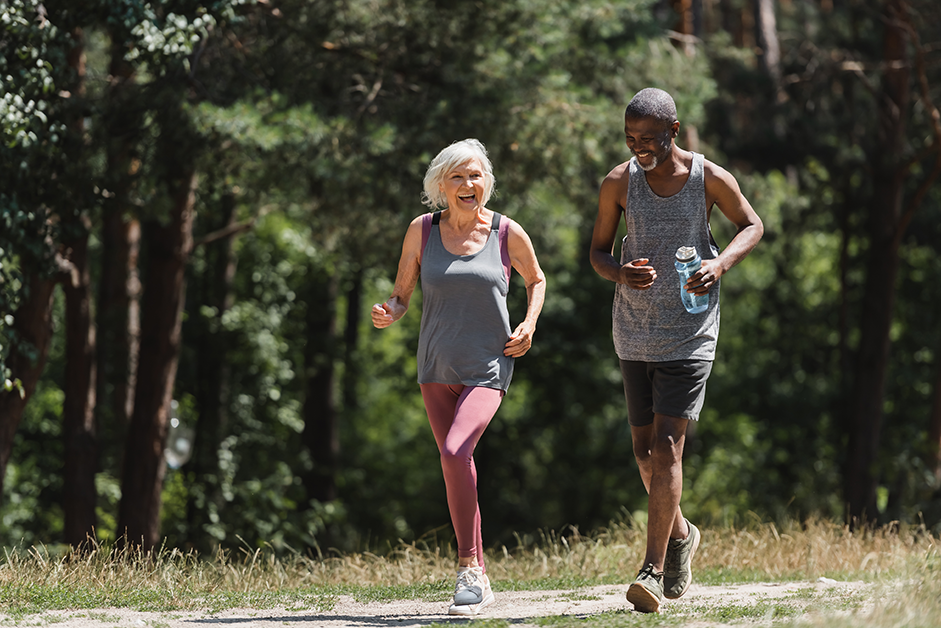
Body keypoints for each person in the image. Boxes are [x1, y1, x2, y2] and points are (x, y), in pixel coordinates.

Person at [589, 88, 763, 613]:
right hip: (634, 331)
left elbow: (752, 225)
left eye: (648, 138)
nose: (639, 148)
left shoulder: (709, 178)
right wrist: (619, 272)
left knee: (667, 447)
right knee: (644, 457)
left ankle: (652, 565)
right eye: (630, 138)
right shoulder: (618, 183)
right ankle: (683, 532)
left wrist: (720, 265)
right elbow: (596, 252)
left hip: (690, 333)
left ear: (674, 130)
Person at [372, 138, 546, 616]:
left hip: (489, 364)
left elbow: (537, 279)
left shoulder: (507, 232)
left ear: (486, 182)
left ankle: (468, 568)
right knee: (455, 463)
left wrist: (528, 323)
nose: (469, 185)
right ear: (441, 186)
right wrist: (390, 311)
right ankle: (481, 577)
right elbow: (402, 293)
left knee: (455, 450)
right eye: (458, 177)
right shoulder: (421, 231)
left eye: (476, 176)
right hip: (435, 366)